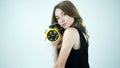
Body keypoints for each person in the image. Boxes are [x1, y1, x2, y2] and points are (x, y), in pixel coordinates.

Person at [50, 1, 90, 68]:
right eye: (58, 18)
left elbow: (59, 66)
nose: (61, 20)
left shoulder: (70, 32)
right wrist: (55, 46)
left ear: (72, 12)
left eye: (64, 14)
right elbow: (58, 64)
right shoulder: (81, 31)